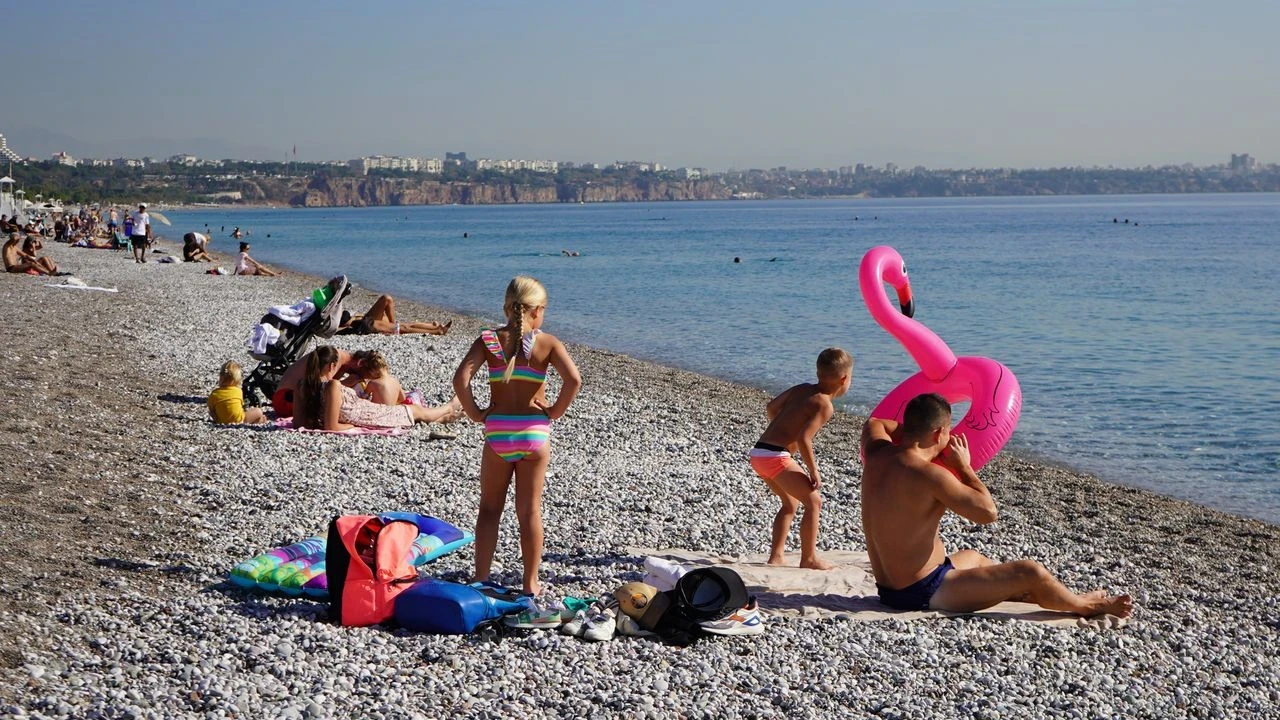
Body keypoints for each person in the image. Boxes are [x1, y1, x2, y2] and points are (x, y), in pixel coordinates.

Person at [860, 393, 1133, 618]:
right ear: (940, 432)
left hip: (889, 587)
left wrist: (913, 434)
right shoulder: (931, 475)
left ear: (908, 426)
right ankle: (1088, 606)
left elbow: (875, 422)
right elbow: (988, 513)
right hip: (922, 591)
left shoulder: (875, 452)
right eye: (948, 431)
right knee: (1030, 570)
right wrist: (964, 467)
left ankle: (1047, 594)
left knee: (974, 557)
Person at [451, 276, 582, 595]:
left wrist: (476, 412)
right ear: (537, 310)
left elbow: (460, 379)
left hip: (498, 431)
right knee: (529, 511)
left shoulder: (488, 340)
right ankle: (530, 582)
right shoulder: (547, 343)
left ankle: (481, 578)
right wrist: (553, 411)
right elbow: (574, 380)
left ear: (507, 307)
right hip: (534, 432)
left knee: (489, 508)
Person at [750, 348, 852, 570]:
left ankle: (776, 557)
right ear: (844, 379)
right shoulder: (825, 405)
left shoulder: (803, 388)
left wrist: (783, 427)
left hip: (759, 452)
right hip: (775, 455)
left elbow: (771, 407)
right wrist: (814, 471)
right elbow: (804, 439)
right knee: (814, 502)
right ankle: (809, 559)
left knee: (790, 503)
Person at [292, 345, 461, 430]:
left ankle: (444, 418)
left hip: (367, 411)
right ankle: (449, 407)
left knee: (414, 414)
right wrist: (353, 426)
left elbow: (298, 423)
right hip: (371, 415)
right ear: (331, 367)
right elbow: (332, 427)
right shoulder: (333, 385)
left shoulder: (301, 385)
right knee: (415, 410)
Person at [273, 346, 363, 416]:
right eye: (361, 375)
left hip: (282, 398)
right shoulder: (334, 359)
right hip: (285, 401)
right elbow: (325, 393)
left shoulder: (336, 357)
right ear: (359, 363)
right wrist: (347, 383)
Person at [337, 294, 451, 336]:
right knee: (404, 328)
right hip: (365, 324)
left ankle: (434, 326)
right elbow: (337, 329)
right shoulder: (337, 324)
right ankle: (437, 331)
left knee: (406, 324)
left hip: (366, 319)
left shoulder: (335, 314)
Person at [208, 361, 268, 425]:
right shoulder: (238, 391)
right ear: (237, 380)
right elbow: (241, 406)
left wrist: (217, 419)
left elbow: (211, 410)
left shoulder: (214, 393)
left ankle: (257, 421)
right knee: (258, 411)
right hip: (239, 420)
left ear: (220, 377)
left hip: (221, 421)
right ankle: (258, 421)